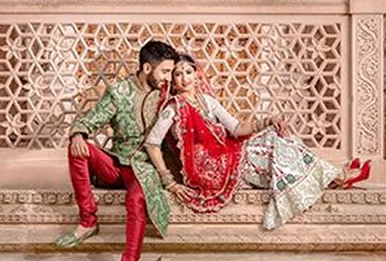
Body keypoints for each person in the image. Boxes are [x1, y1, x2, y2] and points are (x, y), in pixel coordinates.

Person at [144, 53, 371, 230]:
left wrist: (268, 120)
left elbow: (236, 128)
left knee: (278, 137)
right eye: (178, 74)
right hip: (210, 169)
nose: (184, 78)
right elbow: (152, 143)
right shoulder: (173, 108)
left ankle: (332, 176)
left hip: (225, 153)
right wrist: (169, 182)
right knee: (273, 149)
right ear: (173, 80)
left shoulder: (208, 102)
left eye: (188, 72)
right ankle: (337, 176)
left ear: (196, 75)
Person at [55, 40, 178, 261]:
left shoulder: (168, 97)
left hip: (145, 168)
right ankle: (88, 220)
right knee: (78, 147)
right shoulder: (119, 92)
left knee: (136, 201)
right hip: (117, 163)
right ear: (147, 68)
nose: (169, 78)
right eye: (165, 72)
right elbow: (91, 119)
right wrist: (78, 132)